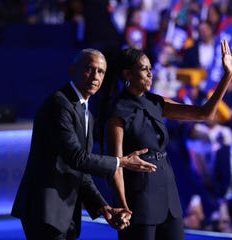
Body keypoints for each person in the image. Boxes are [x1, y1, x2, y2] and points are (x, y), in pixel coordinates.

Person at [11, 48, 157, 240]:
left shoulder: (87, 113)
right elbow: (76, 158)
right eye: (90, 69)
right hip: (44, 209)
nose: (95, 76)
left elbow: (82, 171)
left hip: (64, 212)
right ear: (73, 71)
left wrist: (102, 207)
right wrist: (120, 162)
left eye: (101, 72)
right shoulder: (59, 104)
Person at [107, 39, 232, 240]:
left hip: (168, 196)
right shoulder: (118, 111)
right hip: (138, 200)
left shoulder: (157, 102)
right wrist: (122, 206)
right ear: (127, 74)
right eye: (143, 69)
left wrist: (228, 76)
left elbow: (205, 114)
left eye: (150, 68)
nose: (150, 73)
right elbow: (115, 164)